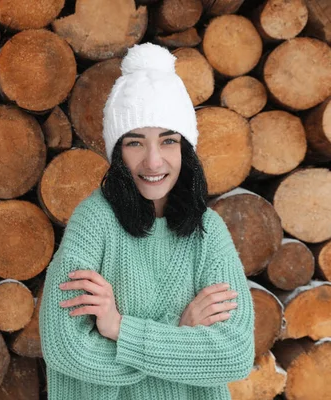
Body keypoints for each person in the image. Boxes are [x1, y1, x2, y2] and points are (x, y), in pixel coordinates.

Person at [38, 43, 255, 400]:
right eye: (136, 143)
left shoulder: (208, 231)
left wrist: (120, 329)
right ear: (117, 151)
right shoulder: (93, 223)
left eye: (168, 141)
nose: (154, 162)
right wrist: (180, 336)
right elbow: (66, 349)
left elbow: (233, 355)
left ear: (185, 148)